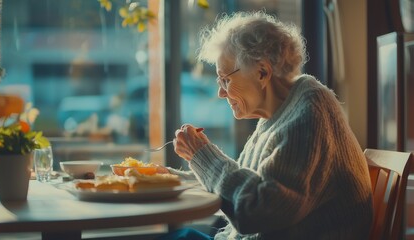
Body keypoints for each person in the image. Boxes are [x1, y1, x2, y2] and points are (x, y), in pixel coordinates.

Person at [158, 10, 373, 240]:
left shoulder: (310, 113)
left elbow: (257, 209)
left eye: (226, 80)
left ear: (262, 72)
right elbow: (242, 185)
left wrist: (202, 155)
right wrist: (172, 179)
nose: (221, 92)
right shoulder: (279, 114)